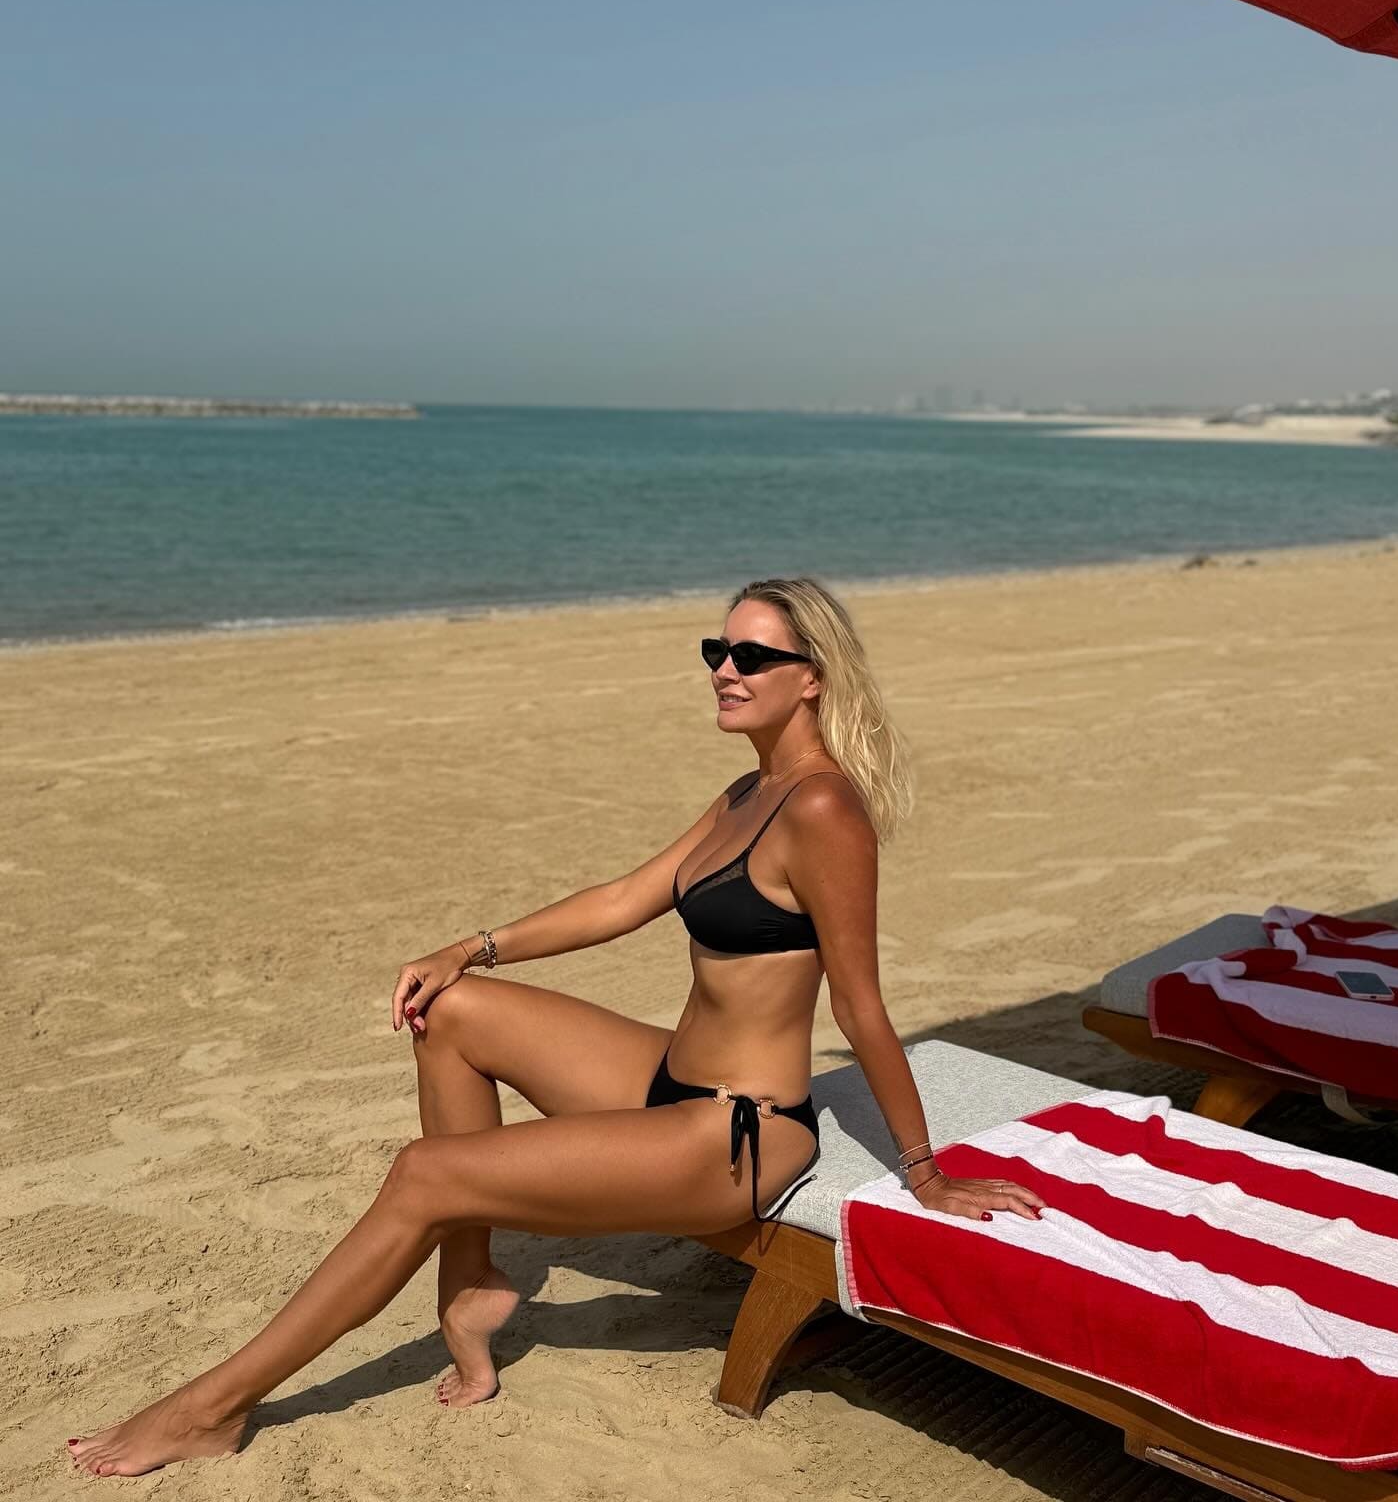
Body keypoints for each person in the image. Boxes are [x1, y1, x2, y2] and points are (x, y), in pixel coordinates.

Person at [66, 575, 1043, 1478]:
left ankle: (212, 1407)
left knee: (423, 1173)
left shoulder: (823, 807)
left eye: (752, 656)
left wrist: (926, 1174)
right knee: (450, 1009)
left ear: (812, 678)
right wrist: (471, 948)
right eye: (717, 651)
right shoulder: (749, 793)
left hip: (738, 1135)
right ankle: (473, 1279)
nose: (725, 670)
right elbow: (622, 899)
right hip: (669, 1082)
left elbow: (860, 1005)